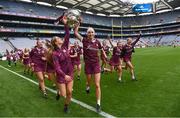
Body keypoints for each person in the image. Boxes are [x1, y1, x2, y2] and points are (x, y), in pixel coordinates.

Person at [74, 23, 107, 112]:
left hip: (96, 64)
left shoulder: (97, 42)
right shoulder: (84, 40)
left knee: (97, 84)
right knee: (88, 81)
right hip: (88, 65)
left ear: (94, 33)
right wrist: (77, 25)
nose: (91, 34)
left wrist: (104, 55)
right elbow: (76, 33)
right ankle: (88, 86)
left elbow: (101, 49)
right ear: (87, 33)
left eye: (92, 32)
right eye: (89, 32)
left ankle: (98, 103)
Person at [51, 16, 73, 113]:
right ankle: (59, 91)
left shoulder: (64, 46)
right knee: (64, 94)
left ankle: (66, 106)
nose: (61, 39)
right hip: (61, 76)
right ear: (56, 42)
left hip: (70, 73)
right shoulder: (54, 54)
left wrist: (65, 24)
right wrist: (64, 75)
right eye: (58, 38)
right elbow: (57, 68)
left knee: (69, 93)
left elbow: (67, 34)